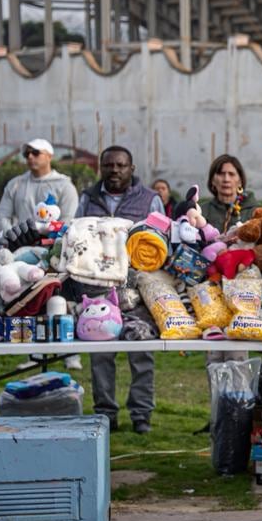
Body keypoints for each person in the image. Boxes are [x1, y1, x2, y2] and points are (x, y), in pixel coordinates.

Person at [77, 146, 165, 434]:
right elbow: (75, 236)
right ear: (101, 168)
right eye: (109, 165)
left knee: (141, 352)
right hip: (96, 286)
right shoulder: (87, 199)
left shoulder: (150, 200)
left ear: (132, 168)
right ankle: (106, 414)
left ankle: (141, 416)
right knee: (101, 352)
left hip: (136, 287)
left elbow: (161, 242)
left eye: (121, 165)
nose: (115, 170)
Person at [0, 138, 79, 230]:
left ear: (49, 156)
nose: (30, 157)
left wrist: (49, 238)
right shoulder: (15, 184)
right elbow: (2, 218)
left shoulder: (65, 186)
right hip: (20, 242)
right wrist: (14, 238)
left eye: (36, 153)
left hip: (52, 242)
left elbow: (68, 220)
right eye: (26, 154)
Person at [201, 154, 258, 233]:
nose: (226, 179)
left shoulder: (256, 212)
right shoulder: (201, 212)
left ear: (240, 181)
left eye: (231, 174)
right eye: (221, 173)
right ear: (212, 180)